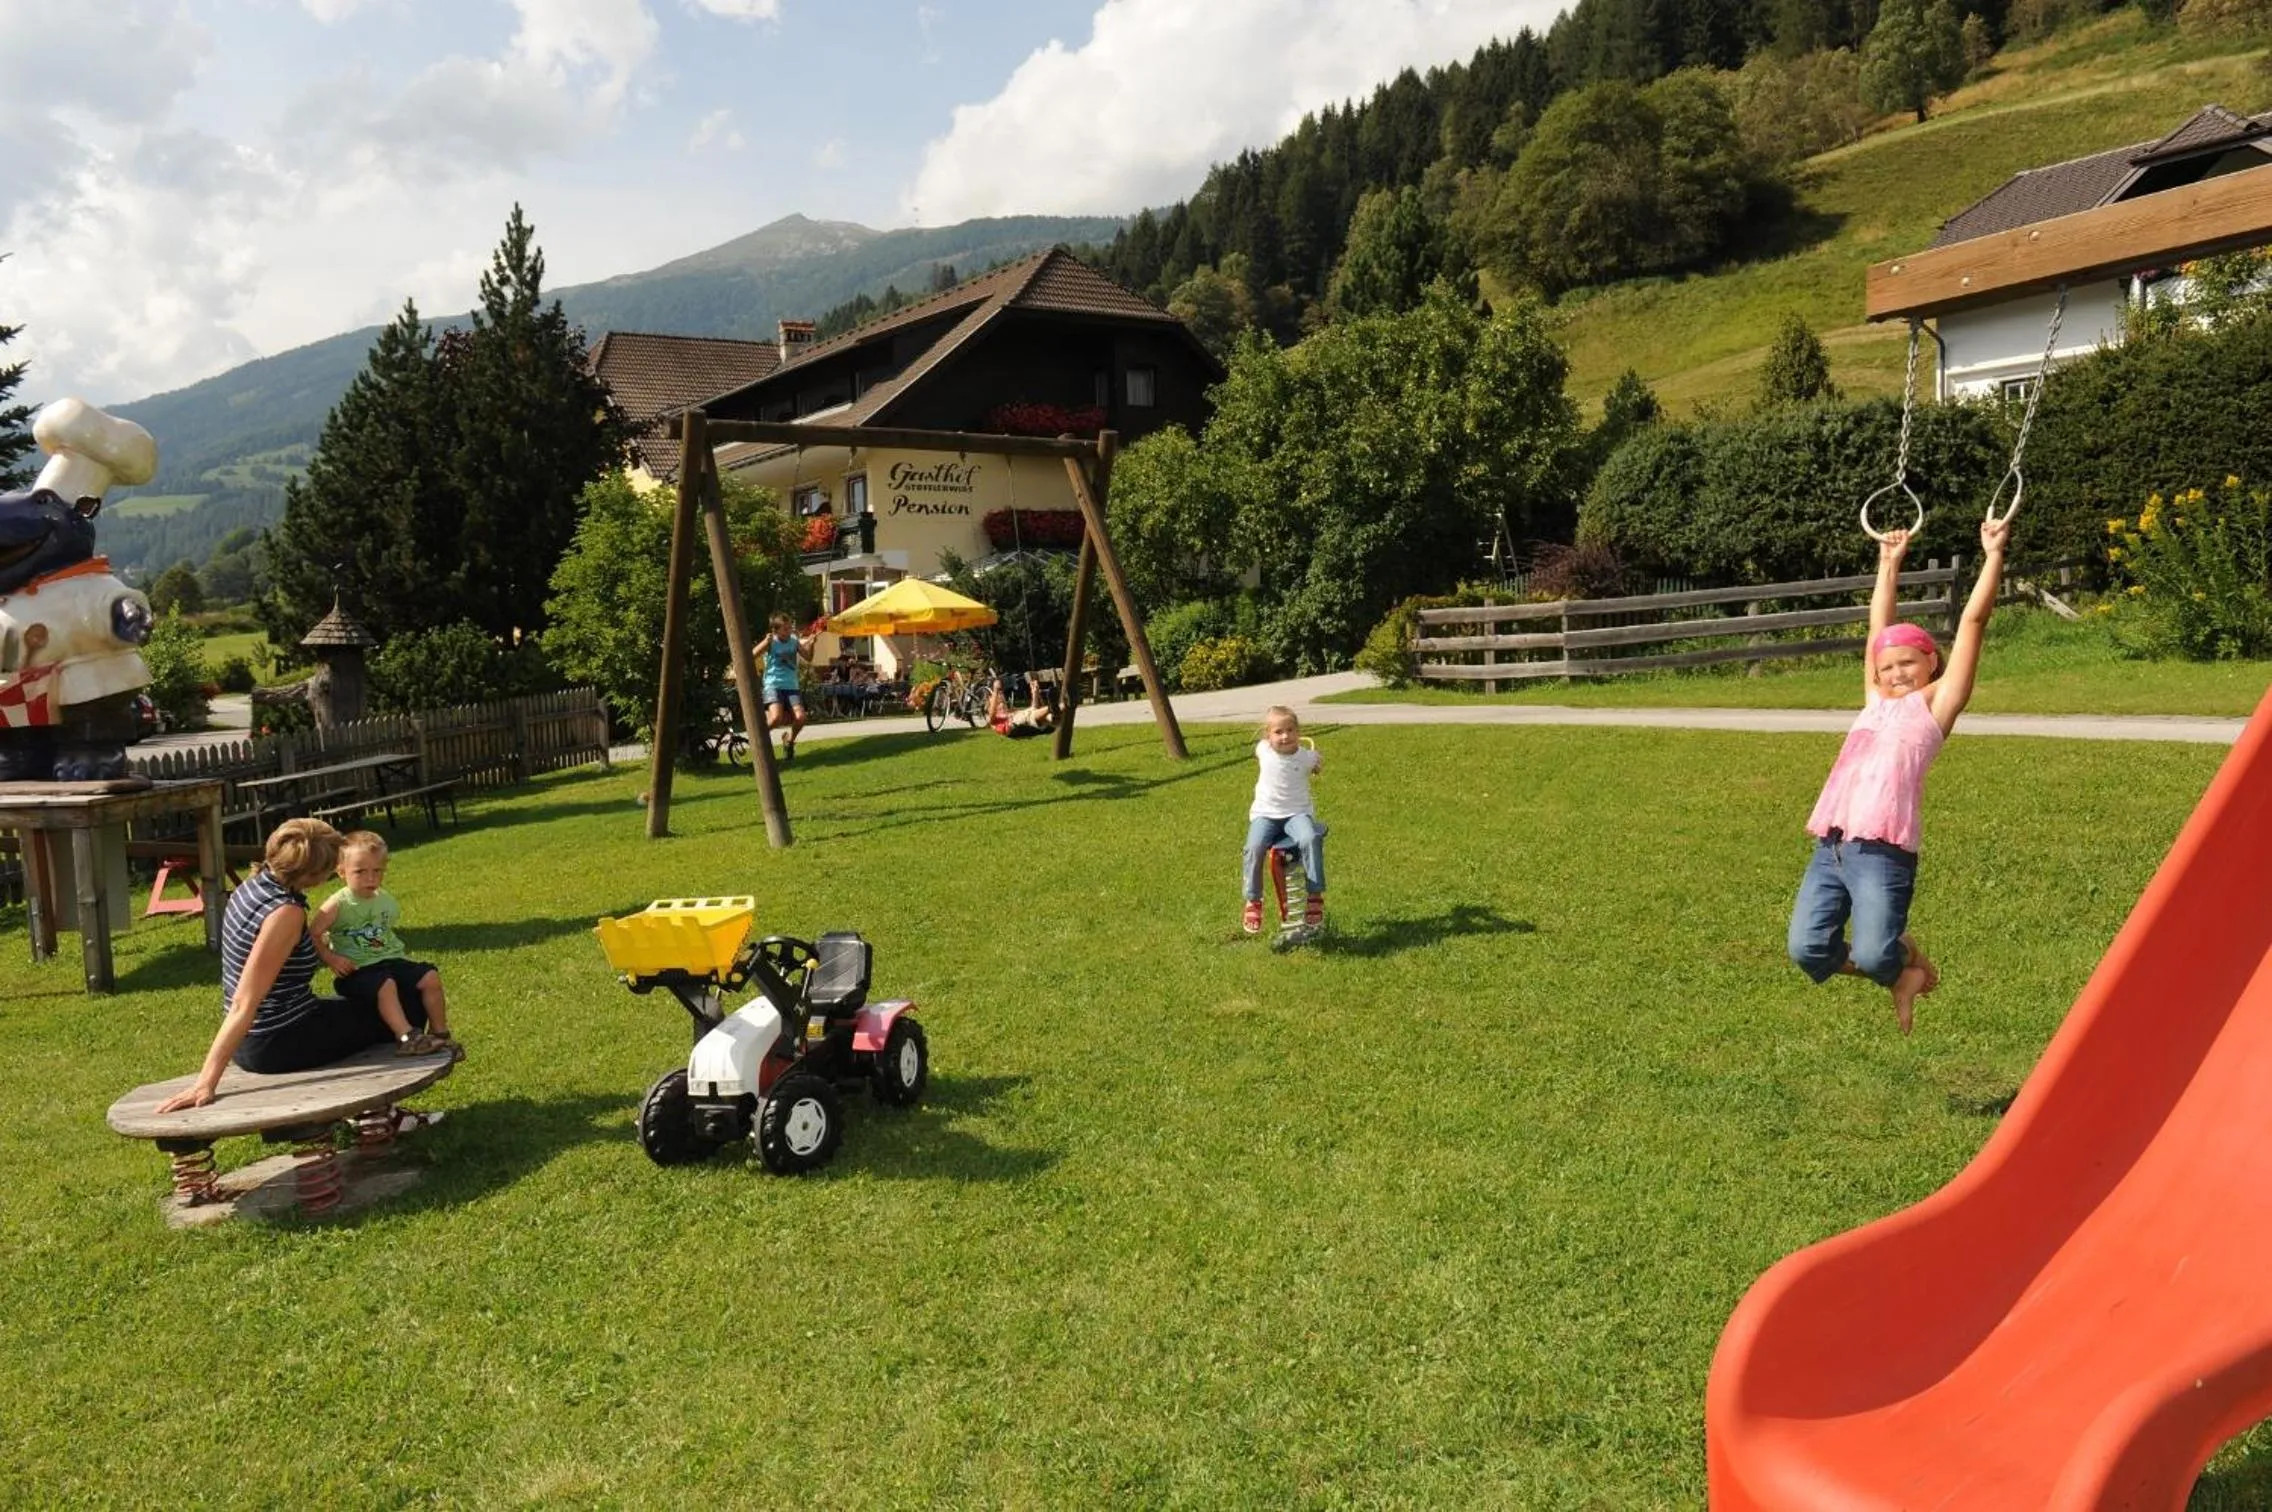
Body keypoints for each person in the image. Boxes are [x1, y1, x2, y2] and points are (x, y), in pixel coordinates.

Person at [1788, 516, 2010, 1034]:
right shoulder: (1874, 701)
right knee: (1808, 948)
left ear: (1932, 663)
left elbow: (1973, 622)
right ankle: (1901, 962)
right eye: (1886, 667)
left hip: (1883, 853)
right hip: (1831, 846)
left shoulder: (1937, 706)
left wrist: (1994, 555)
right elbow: (1878, 629)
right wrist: (1889, 563)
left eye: (1907, 662)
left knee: (1872, 954)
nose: (1895, 673)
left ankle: (1899, 960)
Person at [153, 820, 447, 1115]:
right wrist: (205, 1082)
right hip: (277, 1041)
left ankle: (375, 1112)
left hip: (272, 1030)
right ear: (312, 874)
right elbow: (244, 1001)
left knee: (380, 998)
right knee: (408, 1003)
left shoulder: (253, 886)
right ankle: (376, 1116)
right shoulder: (285, 913)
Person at [311, 831, 460, 1060]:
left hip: (390, 961)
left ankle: (440, 1033)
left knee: (430, 977)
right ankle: (406, 1038)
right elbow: (313, 934)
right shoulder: (337, 904)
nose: (370, 878)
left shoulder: (385, 900)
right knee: (386, 984)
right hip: (358, 969)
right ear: (341, 872)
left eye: (377, 871)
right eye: (360, 872)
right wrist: (331, 958)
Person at [1242, 706, 1325, 936]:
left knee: (1310, 838)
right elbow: (1262, 748)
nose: (1285, 736)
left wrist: (1317, 765)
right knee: (1253, 847)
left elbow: (1317, 763)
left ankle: (1315, 896)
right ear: (1268, 736)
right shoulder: (1264, 750)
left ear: (1298, 732)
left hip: (1297, 813)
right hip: (1265, 814)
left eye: (1290, 730)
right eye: (1278, 732)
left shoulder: (1306, 757)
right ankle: (1253, 900)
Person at [762, 612, 820, 760]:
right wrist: (764, 643)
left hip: (791, 686)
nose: (789, 631)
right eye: (785, 629)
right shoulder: (771, 642)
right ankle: (759, 737)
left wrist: (812, 645)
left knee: (801, 717)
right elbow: (751, 654)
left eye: (790, 628)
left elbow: (808, 657)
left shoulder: (794, 641)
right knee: (776, 718)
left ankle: (790, 741)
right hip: (773, 685)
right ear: (775, 630)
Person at [987, 676, 1057, 739]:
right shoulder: (995, 719)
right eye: (999, 703)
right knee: (1030, 716)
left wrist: (1034, 692)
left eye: (1001, 692)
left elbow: (1033, 709)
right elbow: (991, 715)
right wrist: (995, 691)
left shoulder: (1012, 711)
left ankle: (1055, 710)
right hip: (1014, 726)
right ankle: (1052, 707)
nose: (1001, 696)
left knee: (1047, 717)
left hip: (1026, 721)